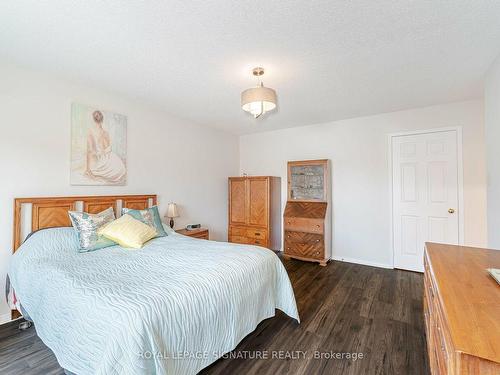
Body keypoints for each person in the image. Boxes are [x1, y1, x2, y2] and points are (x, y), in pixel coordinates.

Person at [84, 110, 126, 184]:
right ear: (102, 120)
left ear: (93, 120)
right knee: (120, 168)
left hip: (101, 160)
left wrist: (87, 168)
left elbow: (89, 151)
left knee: (96, 167)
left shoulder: (90, 132)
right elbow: (108, 148)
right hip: (111, 159)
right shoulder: (105, 132)